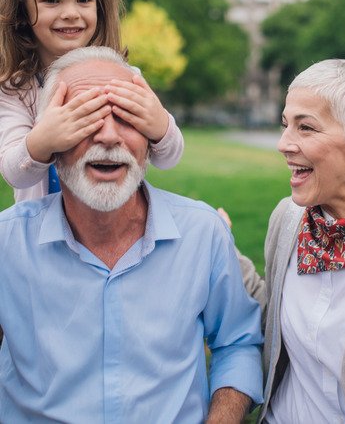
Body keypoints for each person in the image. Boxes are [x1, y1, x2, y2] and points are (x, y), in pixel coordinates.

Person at [0, 45, 263, 423]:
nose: (109, 136)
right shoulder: (8, 243)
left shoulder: (202, 234)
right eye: (85, 118)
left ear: (150, 141)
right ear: (51, 146)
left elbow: (238, 342)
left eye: (126, 117)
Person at [237, 59, 345, 423]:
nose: (283, 144)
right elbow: (274, 323)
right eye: (285, 125)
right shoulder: (289, 216)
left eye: (305, 127)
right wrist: (223, 249)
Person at [0, 0, 183, 203]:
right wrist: (44, 140)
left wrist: (159, 126)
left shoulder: (123, 77)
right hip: (43, 237)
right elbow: (16, 174)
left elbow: (169, 158)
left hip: (115, 230)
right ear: (21, 9)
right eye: (51, 0)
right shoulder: (14, 91)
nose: (71, 13)